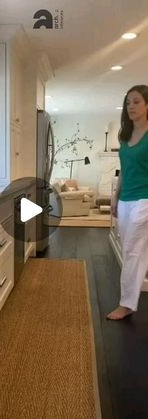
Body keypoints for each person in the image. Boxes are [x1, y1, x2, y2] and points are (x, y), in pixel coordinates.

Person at [107, 84, 148, 320]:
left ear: (147, 105)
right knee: (132, 249)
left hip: (145, 199)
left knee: (132, 250)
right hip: (125, 199)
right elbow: (123, 170)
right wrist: (115, 196)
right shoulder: (125, 135)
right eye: (128, 102)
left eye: (136, 101)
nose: (130, 106)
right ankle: (131, 299)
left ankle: (126, 304)